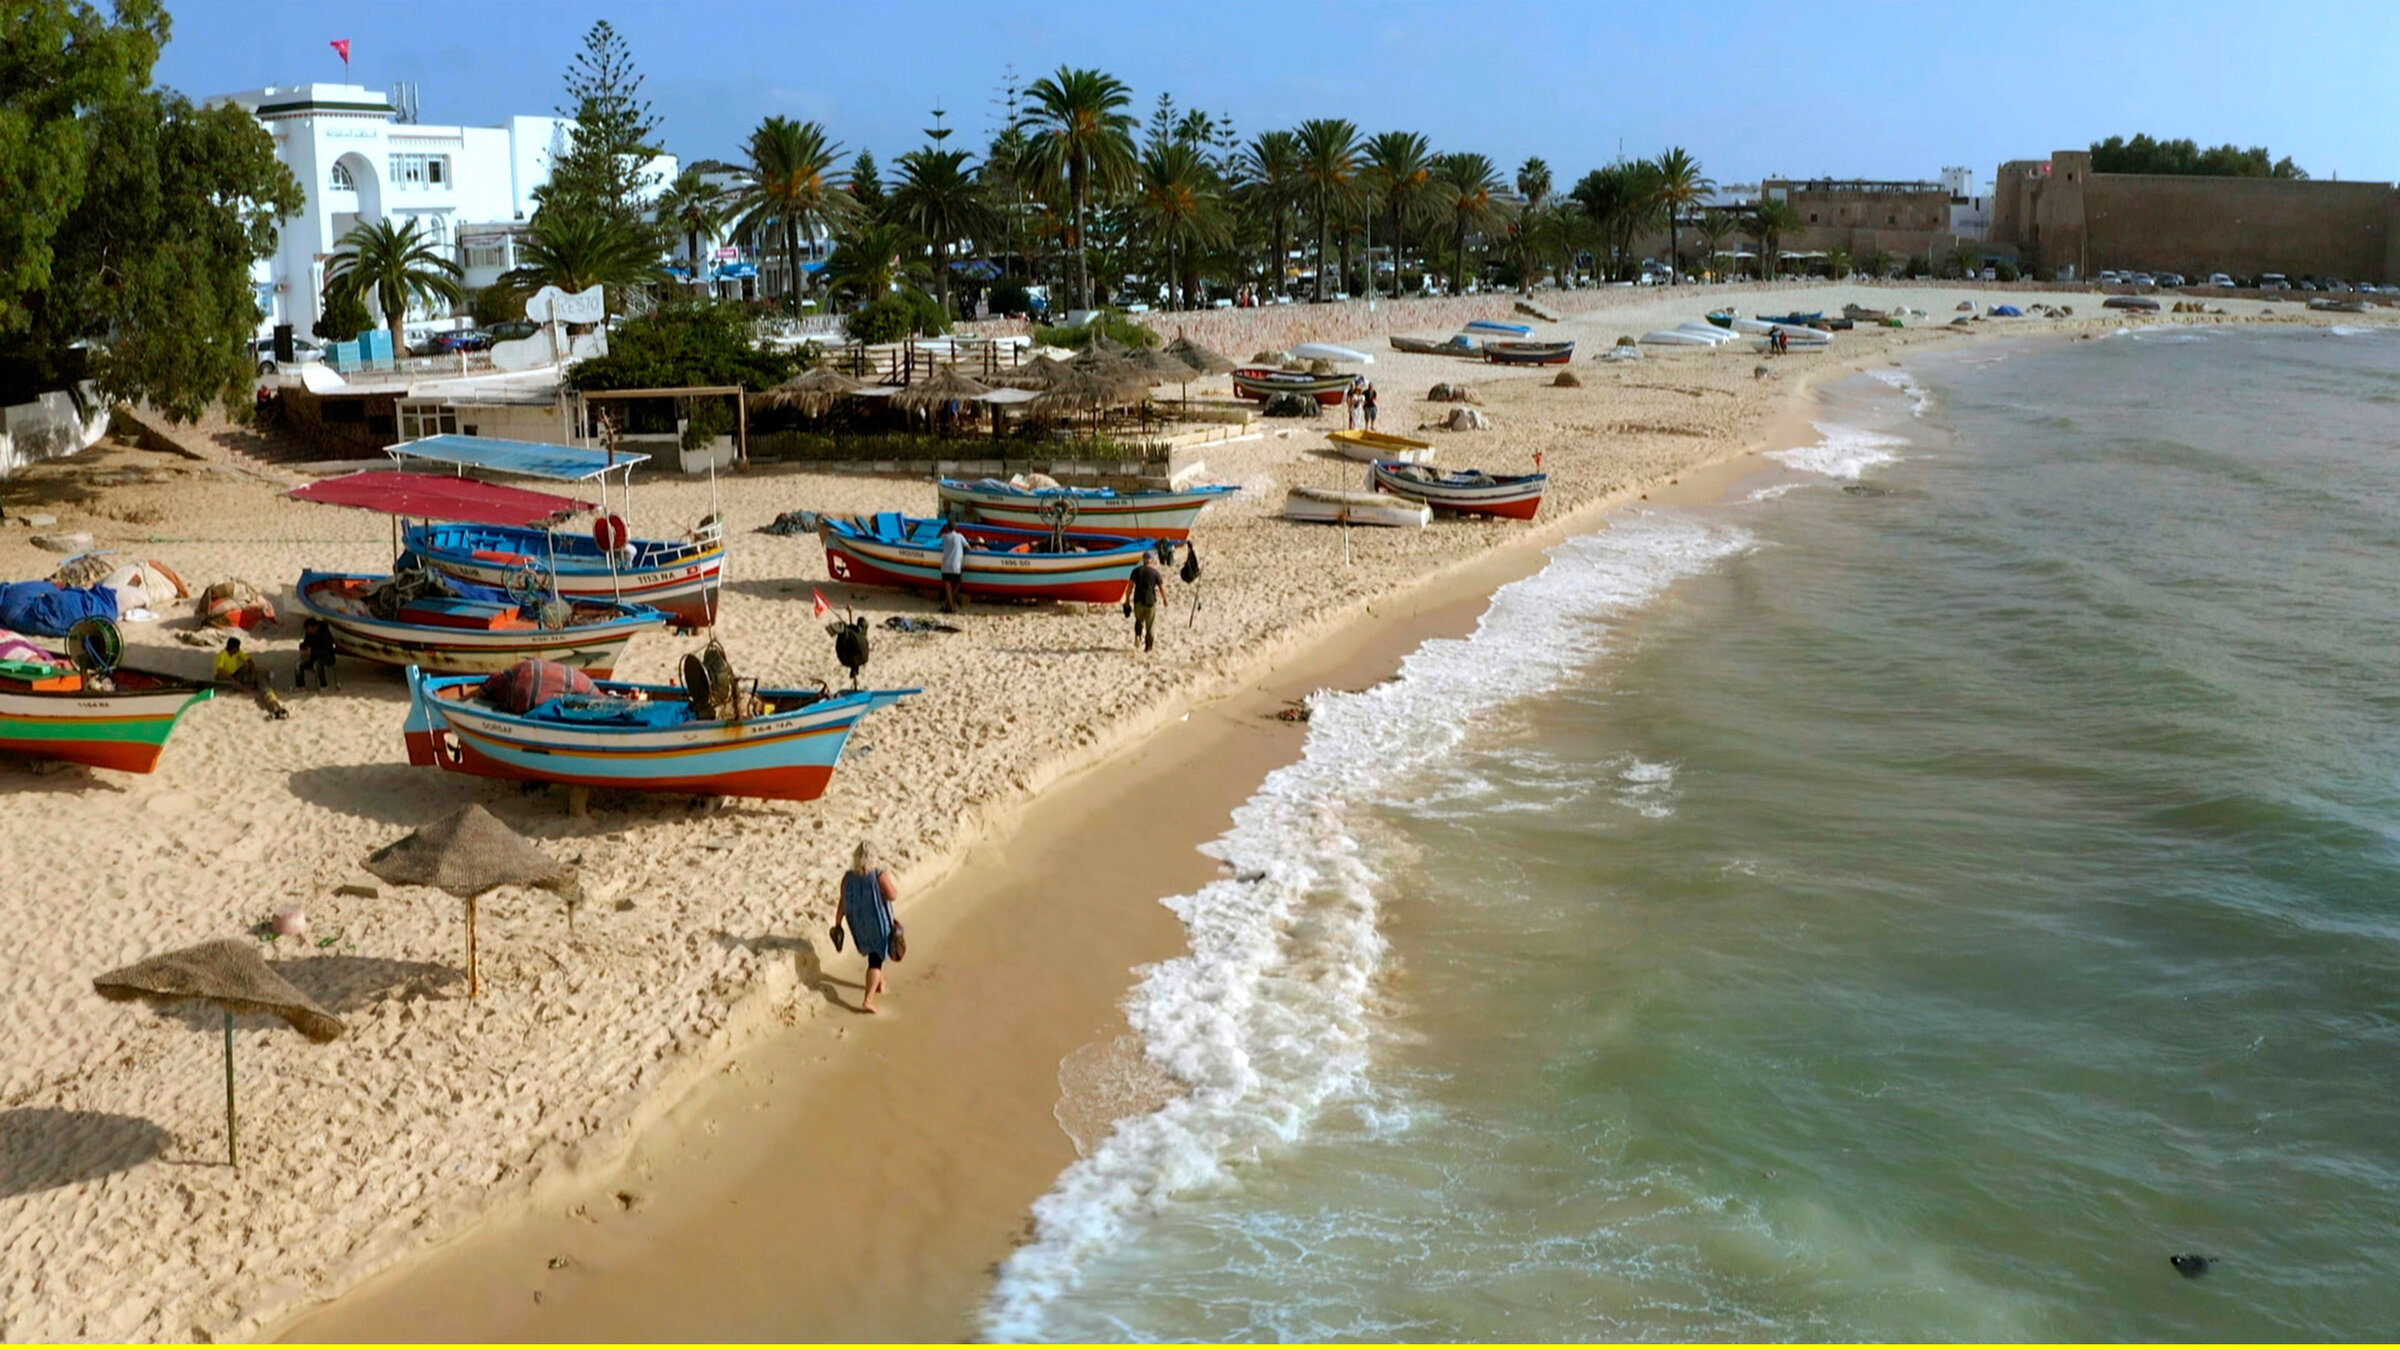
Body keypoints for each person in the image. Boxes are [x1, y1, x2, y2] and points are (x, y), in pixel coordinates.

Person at [832, 842, 901, 1013]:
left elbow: (843, 902)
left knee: (875, 952)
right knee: (875, 960)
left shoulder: (848, 878)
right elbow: (893, 895)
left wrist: (838, 923)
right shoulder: (879, 875)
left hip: (859, 925)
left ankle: (880, 984)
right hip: (878, 924)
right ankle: (868, 999)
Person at [1128, 549, 1164, 653]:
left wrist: (1126, 600)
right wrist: (1165, 600)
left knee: (1139, 620)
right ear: (1151, 560)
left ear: (1143, 560)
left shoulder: (1136, 571)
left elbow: (1130, 587)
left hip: (1138, 600)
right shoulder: (1155, 573)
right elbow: (1161, 588)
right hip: (1150, 601)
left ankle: (1138, 636)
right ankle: (1148, 648)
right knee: (1150, 625)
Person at [296, 617, 338, 691]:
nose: (309, 632)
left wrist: (312, 652)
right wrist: (303, 648)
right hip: (314, 657)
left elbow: (326, 650)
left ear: (315, 627)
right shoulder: (309, 634)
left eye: (310, 630)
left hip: (327, 657)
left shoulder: (325, 634)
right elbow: (306, 643)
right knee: (298, 664)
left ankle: (323, 685)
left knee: (317, 664)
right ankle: (300, 686)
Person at [938, 520, 968, 615]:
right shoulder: (959, 536)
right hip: (955, 565)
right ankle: (950, 605)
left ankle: (949, 604)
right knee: (958, 583)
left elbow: (938, 542)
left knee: (947, 585)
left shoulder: (945, 537)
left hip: (946, 565)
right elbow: (968, 547)